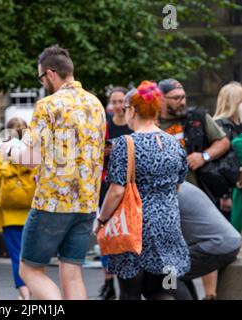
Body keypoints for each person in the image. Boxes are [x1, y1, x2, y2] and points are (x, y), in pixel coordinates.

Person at [1, 45, 106, 300]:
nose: (43, 83)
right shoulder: (96, 105)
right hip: (87, 203)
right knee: (72, 272)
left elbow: (29, 158)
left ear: (50, 73)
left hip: (52, 202)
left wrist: (9, 150)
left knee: (29, 270)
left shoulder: (48, 105)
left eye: (41, 78)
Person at [95, 82, 190, 300]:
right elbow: (178, 183)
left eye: (126, 109)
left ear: (134, 111)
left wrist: (102, 220)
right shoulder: (174, 143)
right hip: (168, 228)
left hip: (135, 230)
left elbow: (117, 191)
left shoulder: (124, 144)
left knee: (130, 292)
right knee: (165, 288)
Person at [158, 78, 233, 300]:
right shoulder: (152, 125)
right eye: (176, 97)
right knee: (171, 268)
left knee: (169, 269)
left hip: (195, 198)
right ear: (161, 99)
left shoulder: (197, 118)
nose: (182, 102)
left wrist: (204, 156)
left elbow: (223, 142)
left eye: (183, 97)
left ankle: (208, 295)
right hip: (172, 206)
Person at [0, 117, 35, 300]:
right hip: (33, 215)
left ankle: (25, 296)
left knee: (17, 258)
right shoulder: (33, 156)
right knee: (32, 258)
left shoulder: (1, 156)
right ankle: (33, 291)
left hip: (9, 217)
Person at [97, 86, 133, 300]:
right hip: (107, 185)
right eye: (115, 102)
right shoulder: (106, 127)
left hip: (129, 187)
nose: (118, 106)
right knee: (105, 235)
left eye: (122, 102)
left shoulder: (133, 127)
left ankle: (125, 282)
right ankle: (108, 281)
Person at [213, 82, 242, 229]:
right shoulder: (221, 126)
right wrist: (225, 195)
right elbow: (220, 165)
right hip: (229, 192)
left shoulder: (237, 125)